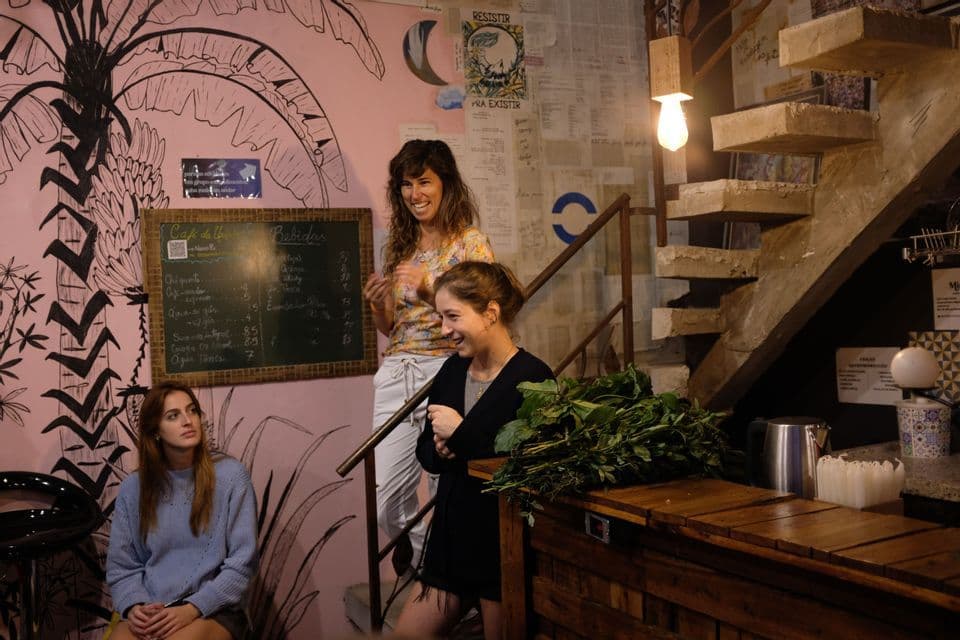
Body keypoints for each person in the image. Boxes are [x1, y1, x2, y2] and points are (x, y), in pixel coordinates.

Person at [394, 261, 553, 640]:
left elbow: (530, 466)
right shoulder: (451, 370)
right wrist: (440, 449)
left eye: (452, 316)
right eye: (441, 317)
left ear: (490, 313)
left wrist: (461, 437)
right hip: (449, 545)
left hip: (501, 551)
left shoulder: (534, 378)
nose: (444, 329)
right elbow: (426, 450)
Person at [363, 139, 494, 568]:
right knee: (387, 498)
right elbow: (392, 327)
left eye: (424, 181)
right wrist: (378, 304)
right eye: (406, 184)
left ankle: (444, 588)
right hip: (398, 370)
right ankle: (429, 566)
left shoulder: (470, 243)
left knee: (447, 489)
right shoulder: (400, 246)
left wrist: (428, 285)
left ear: (445, 185)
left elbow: (485, 307)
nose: (414, 193)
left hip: (449, 369)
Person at [106, 382, 258, 640]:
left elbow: (242, 564)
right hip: (153, 606)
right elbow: (123, 566)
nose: (188, 421)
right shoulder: (134, 488)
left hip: (215, 608)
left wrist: (192, 608)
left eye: (192, 411)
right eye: (173, 416)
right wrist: (134, 606)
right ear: (155, 431)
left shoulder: (232, 476)